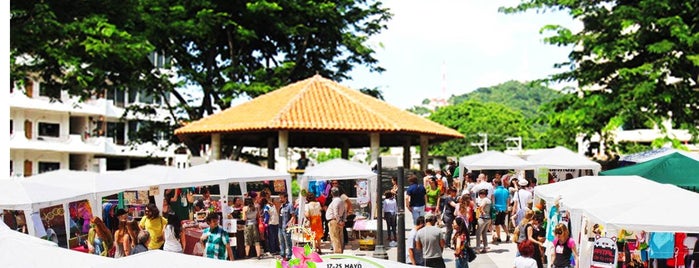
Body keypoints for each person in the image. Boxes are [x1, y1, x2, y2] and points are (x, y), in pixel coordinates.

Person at [325, 187, 347, 254]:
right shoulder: (341, 201)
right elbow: (345, 212)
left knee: (335, 237)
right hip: (339, 220)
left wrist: (339, 221)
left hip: (334, 221)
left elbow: (335, 212)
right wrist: (343, 220)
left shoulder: (335, 201)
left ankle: (337, 253)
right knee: (340, 237)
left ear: (331, 193)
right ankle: (340, 252)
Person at [492, 178, 511, 244]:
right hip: (504, 208)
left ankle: (499, 237)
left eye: (493, 183)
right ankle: (508, 234)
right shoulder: (506, 190)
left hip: (497, 208)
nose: (493, 184)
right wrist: (507, 207)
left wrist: (493, 208)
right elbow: (508, 200)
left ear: (496, 183)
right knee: (502, 223)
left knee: (497, 224)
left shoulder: (495, 191)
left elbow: (493, 201)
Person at [278, 192, 296, 261]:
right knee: (281, 241)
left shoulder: (289, 205)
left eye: (281, 198)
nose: (280, 199)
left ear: (285, 198)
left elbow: (293, 216)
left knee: (288, 242)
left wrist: (289, 223)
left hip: (285, 227)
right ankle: (283, 255)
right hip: (280, 226)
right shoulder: (281, 205)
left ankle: (289, 255)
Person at [475, 189, 492, 253]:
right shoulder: (489, 200)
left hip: (483, 218)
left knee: (478, 233)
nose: (479, 196)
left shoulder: (484, 200)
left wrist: (482, 211)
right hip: (488, 218)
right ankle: (485, 247)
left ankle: (478, 248)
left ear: (482, 194)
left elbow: (481, 207)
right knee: (484, 233)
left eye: (480, 194)